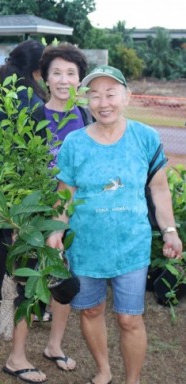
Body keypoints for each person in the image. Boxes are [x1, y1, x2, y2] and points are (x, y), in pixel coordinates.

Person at [47, 65, 183, 384]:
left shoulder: (146, 137)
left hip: (131, 246)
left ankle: (132, 379)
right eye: (94, 95)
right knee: (91, 311)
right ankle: (104, 369)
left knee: (129, 318)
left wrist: (170, 230)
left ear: (127, 96)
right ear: (86, 100)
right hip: (86, 245)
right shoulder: (75, 143)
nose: (102, 102)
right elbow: (64, 196)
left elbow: (159, 188)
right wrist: (56, 229)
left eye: (110, 93)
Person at [37, 43, 93, 373]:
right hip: (37, 211)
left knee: (64, 278)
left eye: (71, 73)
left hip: (74, 211)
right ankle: (16, 344)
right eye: (56, 72)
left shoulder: (85, 117)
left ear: (80, 80)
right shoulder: (33, 116)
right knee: (28, 279)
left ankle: (54, 344)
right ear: (45, 78)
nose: (63, 79)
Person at [0, 39, 47, 305]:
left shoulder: (4, 86)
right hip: (18, 176)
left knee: (3, 235)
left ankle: (0, 291)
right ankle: (20, 294)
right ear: (37, 67)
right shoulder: (26, 95)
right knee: (21, 235)